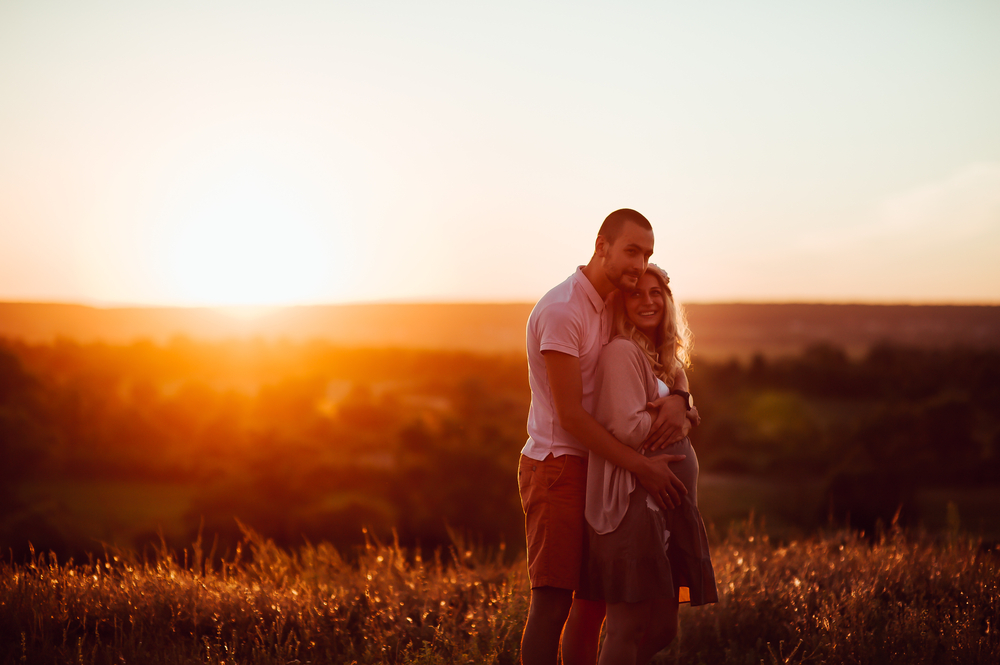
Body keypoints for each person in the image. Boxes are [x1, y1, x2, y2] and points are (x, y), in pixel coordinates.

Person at [518, 209, 693, 665]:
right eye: (631, 250)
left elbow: (663, 351)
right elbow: (572, 417)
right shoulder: (563, 311)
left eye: (647, 253)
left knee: (593, 601)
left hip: (602, 467)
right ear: (602, 245)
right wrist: (643, 468)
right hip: (559, 466)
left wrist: (679, 397)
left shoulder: (614, 299)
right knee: (552, 604)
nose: (640, 263)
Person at [581, 265, 718, 665]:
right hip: (633, 507)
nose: (647, 301)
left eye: (655, 292)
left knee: (663, 628)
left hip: (668, 509)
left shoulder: (665, 362)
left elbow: (689, 410)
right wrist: (677, 416)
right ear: (621, 304)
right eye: (636, 293)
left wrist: (684, 407)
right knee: (628, 626)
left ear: (668, 300)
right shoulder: (622, 352)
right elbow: (626, 428)